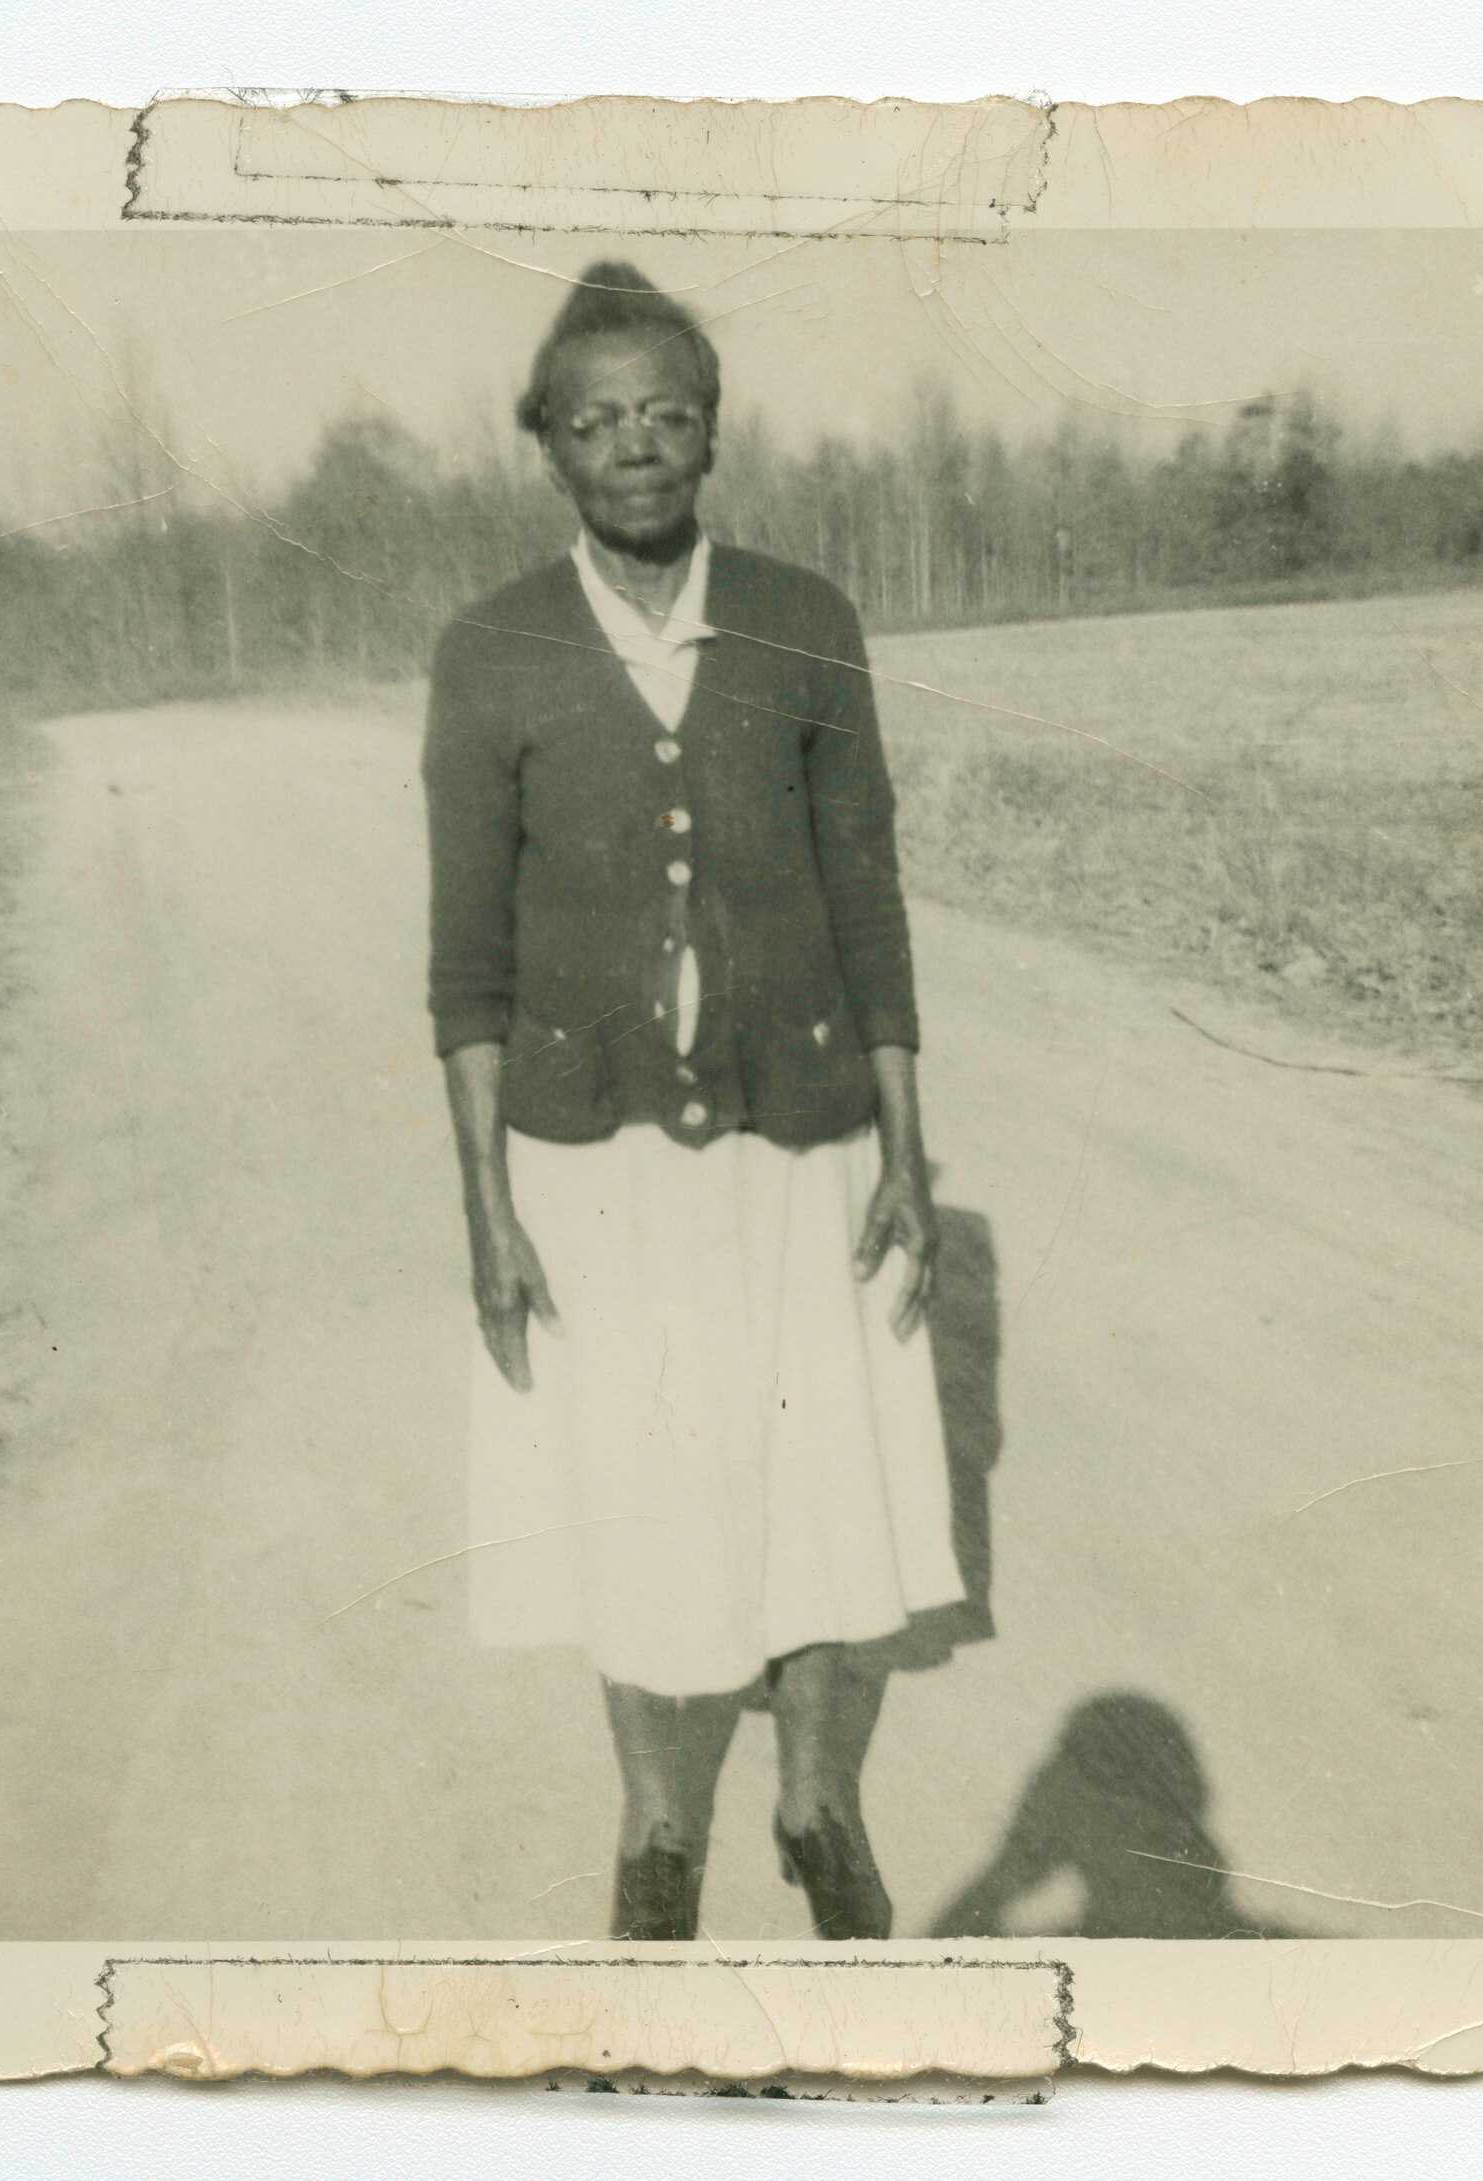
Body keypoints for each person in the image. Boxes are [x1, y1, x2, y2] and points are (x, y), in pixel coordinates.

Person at [421, 260, 965, 1942]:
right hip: (592, 1165)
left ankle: (816, 1804)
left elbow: (866, 897)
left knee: (815, 1479)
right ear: (549, 449)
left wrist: (907, 1145)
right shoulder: (492, 649)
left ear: (712, 430)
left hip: (801, 1140)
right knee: (641, 1489)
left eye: (665, 411)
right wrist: (486, 1208)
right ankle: (662, 1829)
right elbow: (465, 962)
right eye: (596, 419)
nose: (635, 445)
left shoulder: (805, 620)